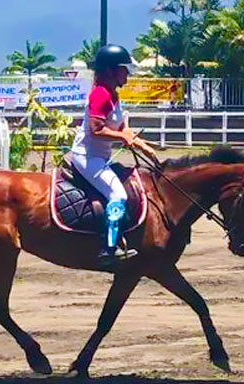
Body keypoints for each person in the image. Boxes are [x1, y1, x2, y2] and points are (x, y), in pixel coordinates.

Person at [71, 44, 157, 264]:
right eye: (124, 69)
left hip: (101, 157)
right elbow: (96, 129)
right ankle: (108, 249)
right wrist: (124, 138)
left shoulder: (113, 95)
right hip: (87, 156)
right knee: (118, 195)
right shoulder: (100, 94)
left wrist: (139, 143)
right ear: (110, 71)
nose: (127, 74)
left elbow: (121, 127)